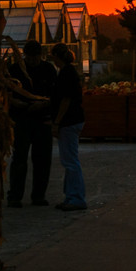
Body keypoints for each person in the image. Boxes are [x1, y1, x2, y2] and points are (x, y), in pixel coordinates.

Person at [7, 40, 56, 207]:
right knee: (20, 158)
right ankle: (15, 196)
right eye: (30, 57)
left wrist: (43, 104)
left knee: (41, 160)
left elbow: (54, 95)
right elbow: (5, 92)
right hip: (22, 119)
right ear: (25, 55)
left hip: (41, 118)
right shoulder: (14, 70)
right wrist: (14, 102)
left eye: (35, 57)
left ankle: (38, 195)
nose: (33, 60)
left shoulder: (48, 70)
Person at [50, 43, 86, 211]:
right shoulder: (69, 72)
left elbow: (65, 100)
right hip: (74, 120)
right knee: (69, 159)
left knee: (70, 161)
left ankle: (76, 198)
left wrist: (57, 122)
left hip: (69, 122)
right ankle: (71, 195)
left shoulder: (65, 74)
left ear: (57, 57)